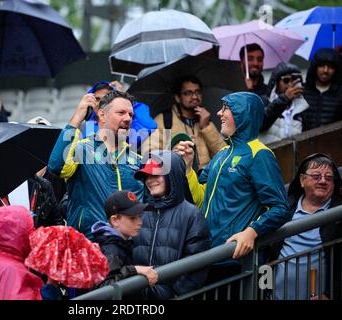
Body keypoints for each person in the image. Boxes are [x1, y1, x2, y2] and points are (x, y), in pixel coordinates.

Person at [184, 92, 291, 283]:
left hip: (237, 262)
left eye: (226, 108)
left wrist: (252, 231)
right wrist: (188, 169)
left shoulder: (259, 155)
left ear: (244, 113)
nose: (219, 113)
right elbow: (201, 199)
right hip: (209, 256)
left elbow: (280, 208)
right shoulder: (222, 153)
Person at [48, 90, 144, 239]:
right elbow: (56, 166)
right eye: (121, 113)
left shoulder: (137, 160)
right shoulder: (82, 149)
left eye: (130, 115)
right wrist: (77, 119)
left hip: (128, 248)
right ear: (102, 115)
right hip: (89, 244)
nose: (127, 119)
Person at [132, 151, 210, 299]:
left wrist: (174, 294)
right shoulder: (140, 212)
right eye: (147, 176)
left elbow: (197, 265)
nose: (150, 180)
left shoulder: (191, 215)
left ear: (171, 175)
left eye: (156, 175)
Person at [270, 153, 342, 300]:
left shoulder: (338, 214)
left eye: (329, 178)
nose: (323, 181)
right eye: (316, 176)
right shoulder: (284, 208)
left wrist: (331, 294)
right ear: (302, 180)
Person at [145, 75, 226, 170]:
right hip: (179, 176)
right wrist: (174, 154)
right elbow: (150, 153)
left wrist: (206, 127)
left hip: (205, 179)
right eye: (188, 93)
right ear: (178, 97)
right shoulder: (165, 120)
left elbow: (223, 155)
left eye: (198, 92)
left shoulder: (205, 119)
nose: (195, 96)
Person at [91, 190, 158, 293]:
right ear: (115, 220)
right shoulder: (110, 249)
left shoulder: (122, 241)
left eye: (139, 216)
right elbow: (105, 289)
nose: (140, 222)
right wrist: (134, 270)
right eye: (132, 218)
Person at [84, 81, 157, 150]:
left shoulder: (125, 123)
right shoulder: (89, 124)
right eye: (97, 99)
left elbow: (150, 126)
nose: (100, 103)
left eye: (105, 98)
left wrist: (124, 100)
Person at [259, 62, 309, 144]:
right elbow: (262, 124)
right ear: (276, 82)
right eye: (286, 80)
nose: (290, 85)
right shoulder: (264, 101)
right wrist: (284, 99)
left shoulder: (303, 107)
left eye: (294, 80)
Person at [302, 48, 342, 131]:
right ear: (315, 67)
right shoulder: (302, 91)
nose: (325, 70)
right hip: (304, 141)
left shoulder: (340, 93)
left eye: (330, 67)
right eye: (321, 66)